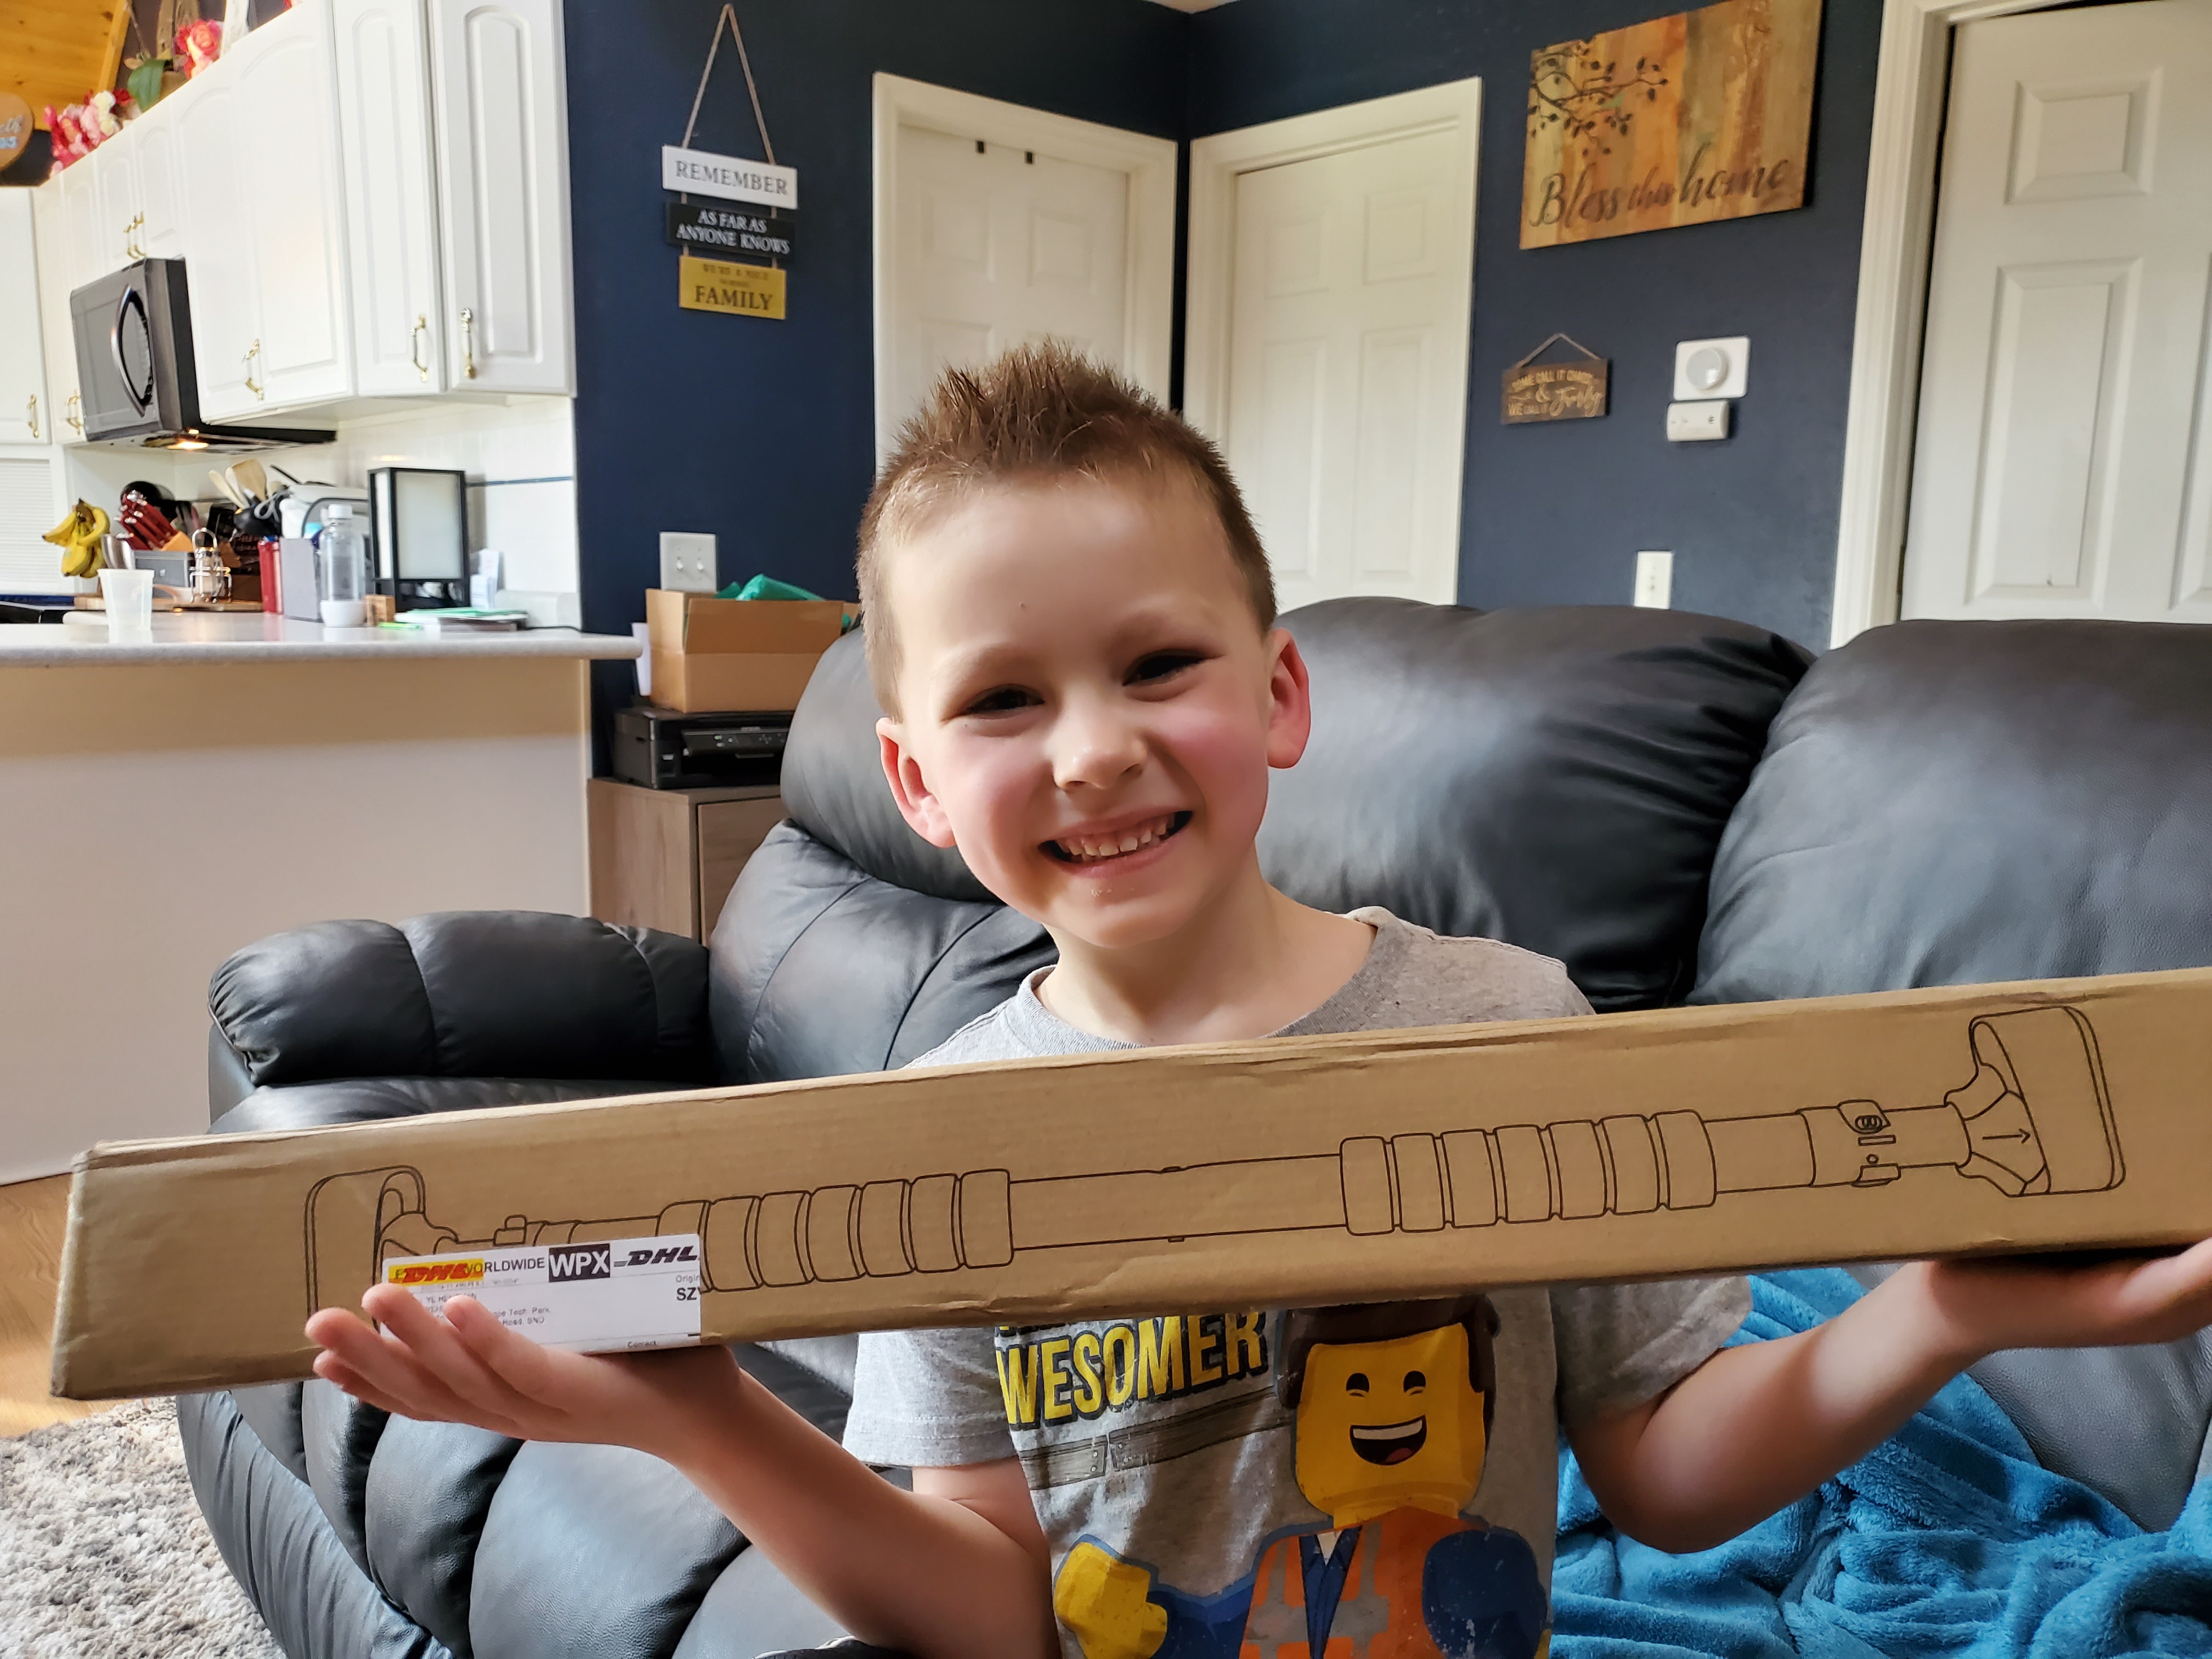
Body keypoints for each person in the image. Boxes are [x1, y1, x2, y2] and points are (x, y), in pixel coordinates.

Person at [309, 345, 2212, 1659]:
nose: (1092, 748)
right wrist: (703, 1413)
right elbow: (994, 1606)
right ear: (912, 785)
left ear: (1281, 696)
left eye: (1158, 665)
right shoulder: (937, 1138)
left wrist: (1944, 1308)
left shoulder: (1509, 1028)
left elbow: (1666, 1474)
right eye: (1002, 700)